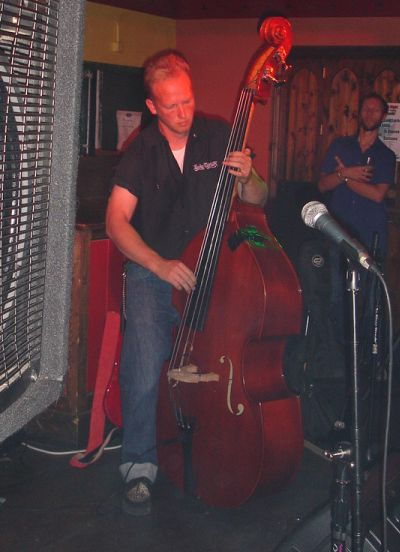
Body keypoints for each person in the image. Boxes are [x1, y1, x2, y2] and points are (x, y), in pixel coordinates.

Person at [106, 49, 267, 516]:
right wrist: (157, 264)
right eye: (171, 105)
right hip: (154, 270)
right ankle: (138, 463)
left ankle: (221, 446)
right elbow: (116, 223)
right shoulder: (140, 151)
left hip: (209, 268)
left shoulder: (218, 134)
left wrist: (250, 175)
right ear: (152, 106)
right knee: (143, 356)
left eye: (188, 101)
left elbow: (257, 196)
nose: (183, 113)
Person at [318, 92, 396, 342]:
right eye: (366, 108)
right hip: (339, 233)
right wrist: (345, 174)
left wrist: (345, 176)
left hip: (369, 234)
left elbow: (376, 195)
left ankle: (363, 360)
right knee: (335, 296)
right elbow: (323, 185)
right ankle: (337, 360)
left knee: (368, 301)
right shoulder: (340, 146)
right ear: (359, 113)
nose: (370, 113)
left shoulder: (385, 155)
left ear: (383, 116)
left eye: (375, 110)